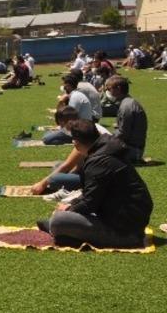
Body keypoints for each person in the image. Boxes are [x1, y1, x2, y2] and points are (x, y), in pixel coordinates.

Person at [44, 120, 153, 248]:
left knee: (58, 221)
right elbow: (92, 195)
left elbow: (89, 203)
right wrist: (71, 206)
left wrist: (69, 209)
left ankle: (61, 228)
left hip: (124, 233)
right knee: (65, 213)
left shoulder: (98, 161)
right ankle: (65, 225)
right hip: (127, 221)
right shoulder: (106, 150)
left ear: (76, 143)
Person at [107, 75, 147, 164]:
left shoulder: (126, 106)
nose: (108, 91)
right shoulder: (128, 102)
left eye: (110, 89)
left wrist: (106, 138)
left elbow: (123, 133)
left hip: (132, 150)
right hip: (132, 147)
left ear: (118, 89)